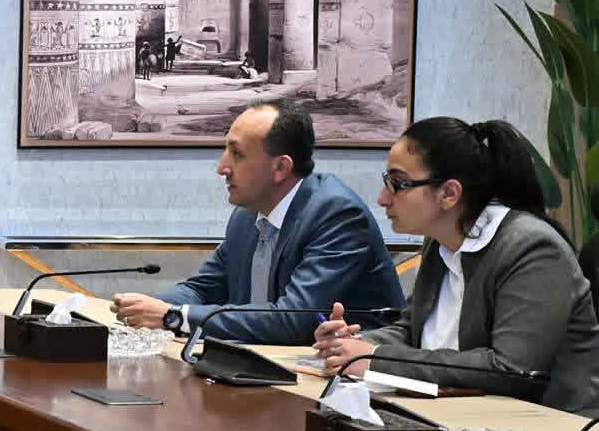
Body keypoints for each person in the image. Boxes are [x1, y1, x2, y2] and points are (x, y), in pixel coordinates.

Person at [314, 117, 599, 413]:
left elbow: (511, 370)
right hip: (459, 415)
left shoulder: (532, 248)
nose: (383, 198)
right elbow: (411, 333)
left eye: (398, 184)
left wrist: (374, 358)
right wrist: (349, 345)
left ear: (449, 194)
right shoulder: (440, 241)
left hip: (548, 426)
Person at [112, 100, 405, 343]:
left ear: (281, 168)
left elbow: (292, 320)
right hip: (265, 364)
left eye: (237, 154)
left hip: (353, 375)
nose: (222, 167)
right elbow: (203, 288)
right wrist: (142, 306)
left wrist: (173, 317)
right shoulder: (247, 214)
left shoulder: (336, 214)